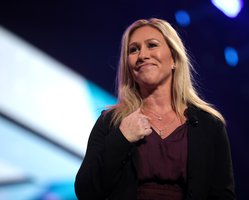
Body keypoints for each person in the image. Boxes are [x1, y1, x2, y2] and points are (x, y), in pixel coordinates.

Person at [75, 18, 235, 200]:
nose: (142, 55)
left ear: (174, 58)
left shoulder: (209, 125)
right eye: (133, 49)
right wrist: (122, 138)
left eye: (152, 45)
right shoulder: (112, 121)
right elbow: (86, 191)